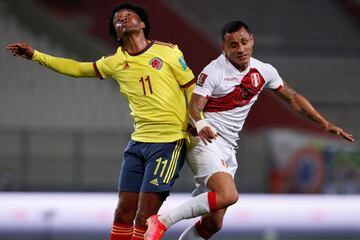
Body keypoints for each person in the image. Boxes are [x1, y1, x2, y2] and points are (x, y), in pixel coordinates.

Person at [144, 20, 354, 240]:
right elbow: (194, 108)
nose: (240, 49)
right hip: (204, 142)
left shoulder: (263, 70)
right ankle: (160, 221)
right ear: (223, 48)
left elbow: (292, 97)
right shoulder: (214, 71)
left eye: (244, 42)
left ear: (252, 41)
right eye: (233, 45)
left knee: (213, 224)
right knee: (228, 195)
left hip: (228, 148)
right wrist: (202, 124)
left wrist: (325, 123)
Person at [6, 3, 195, 240]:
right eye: (118, 19)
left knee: (144, 217)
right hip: (137, 144)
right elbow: (77, 68)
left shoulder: (168, 52)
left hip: (169, 143)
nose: (123, 19)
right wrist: (36, 56)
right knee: (122, 213)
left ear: (143, 24)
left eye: (129, 16)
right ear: (116, 32)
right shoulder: (115, 62)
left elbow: (192, 88)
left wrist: (198, 120)